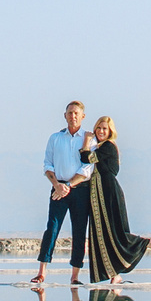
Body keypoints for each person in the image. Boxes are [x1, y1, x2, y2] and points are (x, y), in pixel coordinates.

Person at [78, 115, 151, 282]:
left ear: (110, 131)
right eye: (99, 128)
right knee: (101, 233)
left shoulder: (108, 147)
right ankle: (114, 274)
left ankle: (148, 243)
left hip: (109, 193)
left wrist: (86, 141)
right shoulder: (100, 147)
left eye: (104, 128)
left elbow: (86, 158)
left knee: (116, 233)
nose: (101, 131)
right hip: (98, 195)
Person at [29, 102, 97, 288]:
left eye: (76, 113)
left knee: (79, 231)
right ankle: (41, 272)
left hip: (80, 190)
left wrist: (68, 185)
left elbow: (87, 168)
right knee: (52, 227)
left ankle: (74, 275)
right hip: (57, 189)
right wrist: (57, 185)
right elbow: (47, 165)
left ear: (82, 116)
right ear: (64, 115)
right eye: (69, 113)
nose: (72, 116)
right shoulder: (55, 138)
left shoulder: (89, 139)